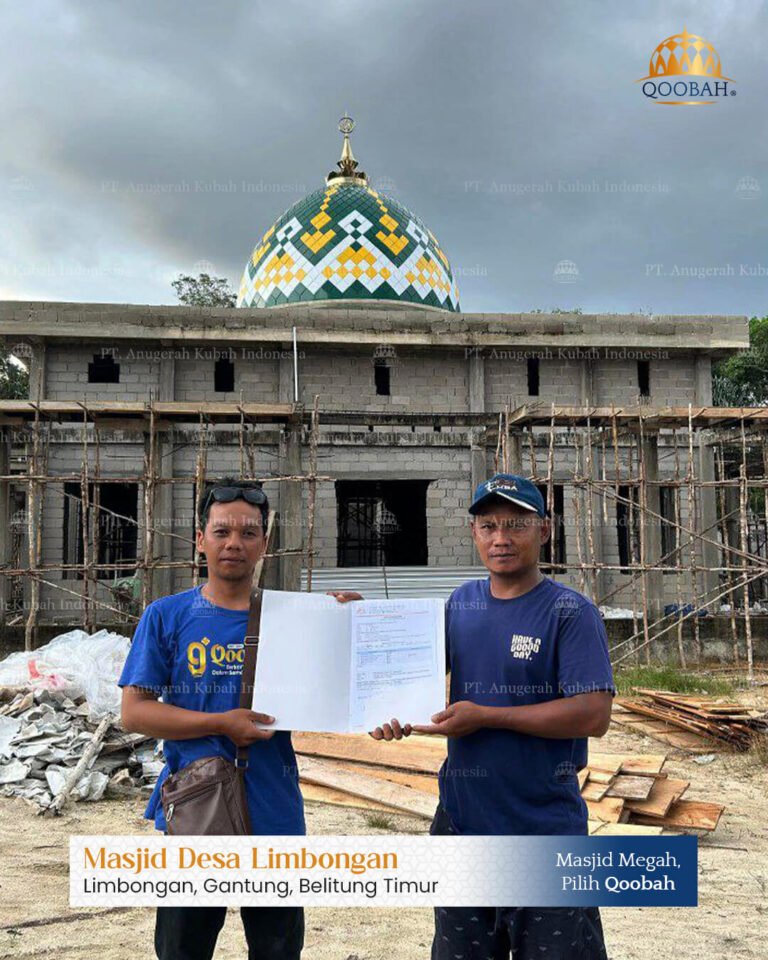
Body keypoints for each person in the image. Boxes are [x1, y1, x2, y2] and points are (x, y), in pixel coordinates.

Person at [369, 473, 615, 960]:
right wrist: (357, 625)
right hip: (462, 825)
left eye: (515, 525)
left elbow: (593, 713)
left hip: (542, 831)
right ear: (474, 533)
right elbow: (402, 672)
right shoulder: (462, 604)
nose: (500, 538)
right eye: (487, 526)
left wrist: (487, 716)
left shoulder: (570, 613)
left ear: (544, 530)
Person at [119, 478, 305, 960]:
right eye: (222, 532)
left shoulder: (292, 618)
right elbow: (135, 712)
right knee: (184, 949)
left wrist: (343, 623)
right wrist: (221, 724)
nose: (234, 544)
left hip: (275, 811)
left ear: (265, 543)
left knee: (277, 949)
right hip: (197, 809)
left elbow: (336, 692)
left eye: (248, 533)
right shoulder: (167, 616)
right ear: (200, 538)